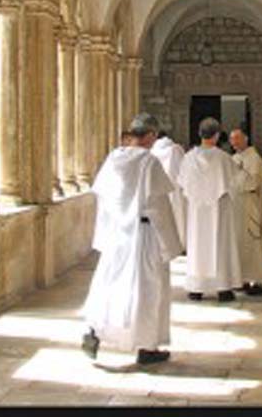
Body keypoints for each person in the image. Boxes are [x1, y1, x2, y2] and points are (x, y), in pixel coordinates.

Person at [81, 113, 182, 365]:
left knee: (109, 283)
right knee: (147, 289)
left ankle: (94, 330)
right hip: (144, 236)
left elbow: (103, 199)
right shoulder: (149, 162)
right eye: (154, 136)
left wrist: (103, 234)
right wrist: (170, 243)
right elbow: (158, 205)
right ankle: (147, 347)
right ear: (149, 135)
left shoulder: (113, 158)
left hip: (117, 233)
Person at [178, 117, 243, 302]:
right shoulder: (224, 158)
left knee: (198, 244)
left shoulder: (188, 158)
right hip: (219, 208)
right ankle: (223, 288)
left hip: (197, 209)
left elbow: (182, 182)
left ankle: (196, 287)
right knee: (220, 244)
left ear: (200, 134)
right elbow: (234, 182)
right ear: (216, 136)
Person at [229, 128, 262, 295]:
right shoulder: (234, 158)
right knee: (239, 243)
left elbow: (256, 181)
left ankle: (257, 281)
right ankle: (242, 279)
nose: (235, 142)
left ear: (246, 139)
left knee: (253, 243)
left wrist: (240, 175)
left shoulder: (254, 158)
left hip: (250, 205)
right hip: (236, 207)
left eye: (238, 139)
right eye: (232, 139)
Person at [151, 131, 187, 250]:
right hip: (176, 188)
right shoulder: (176, 149)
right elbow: (184, 168)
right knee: (178, 214)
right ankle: (180, 242)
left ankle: (163, 244)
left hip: (159, 188)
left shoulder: (152, 151)